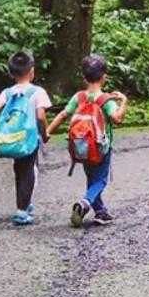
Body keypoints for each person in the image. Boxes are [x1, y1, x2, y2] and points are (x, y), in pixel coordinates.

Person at [45, 54, 128, 227]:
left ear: (84, 78)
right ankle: (84, 203)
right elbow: (117, 118)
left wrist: (47, 131)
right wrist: (124, 102)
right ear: (104, 76)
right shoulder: (105, 99)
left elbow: (63, 114)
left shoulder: (79, 97)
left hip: (81, 145)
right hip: (101, 147)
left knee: (92, 178)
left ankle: (101, 212)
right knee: (101, 180)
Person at [0, 51, 52, 226]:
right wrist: (45, 133)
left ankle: (23, 204)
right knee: (30, 171)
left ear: (11, 73)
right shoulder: (37, 92)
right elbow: (40, 116)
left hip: (13, 138)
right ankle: (23, 210)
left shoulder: (7, 93)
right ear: (32, 71)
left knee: (19, 170)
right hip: (29, 139)